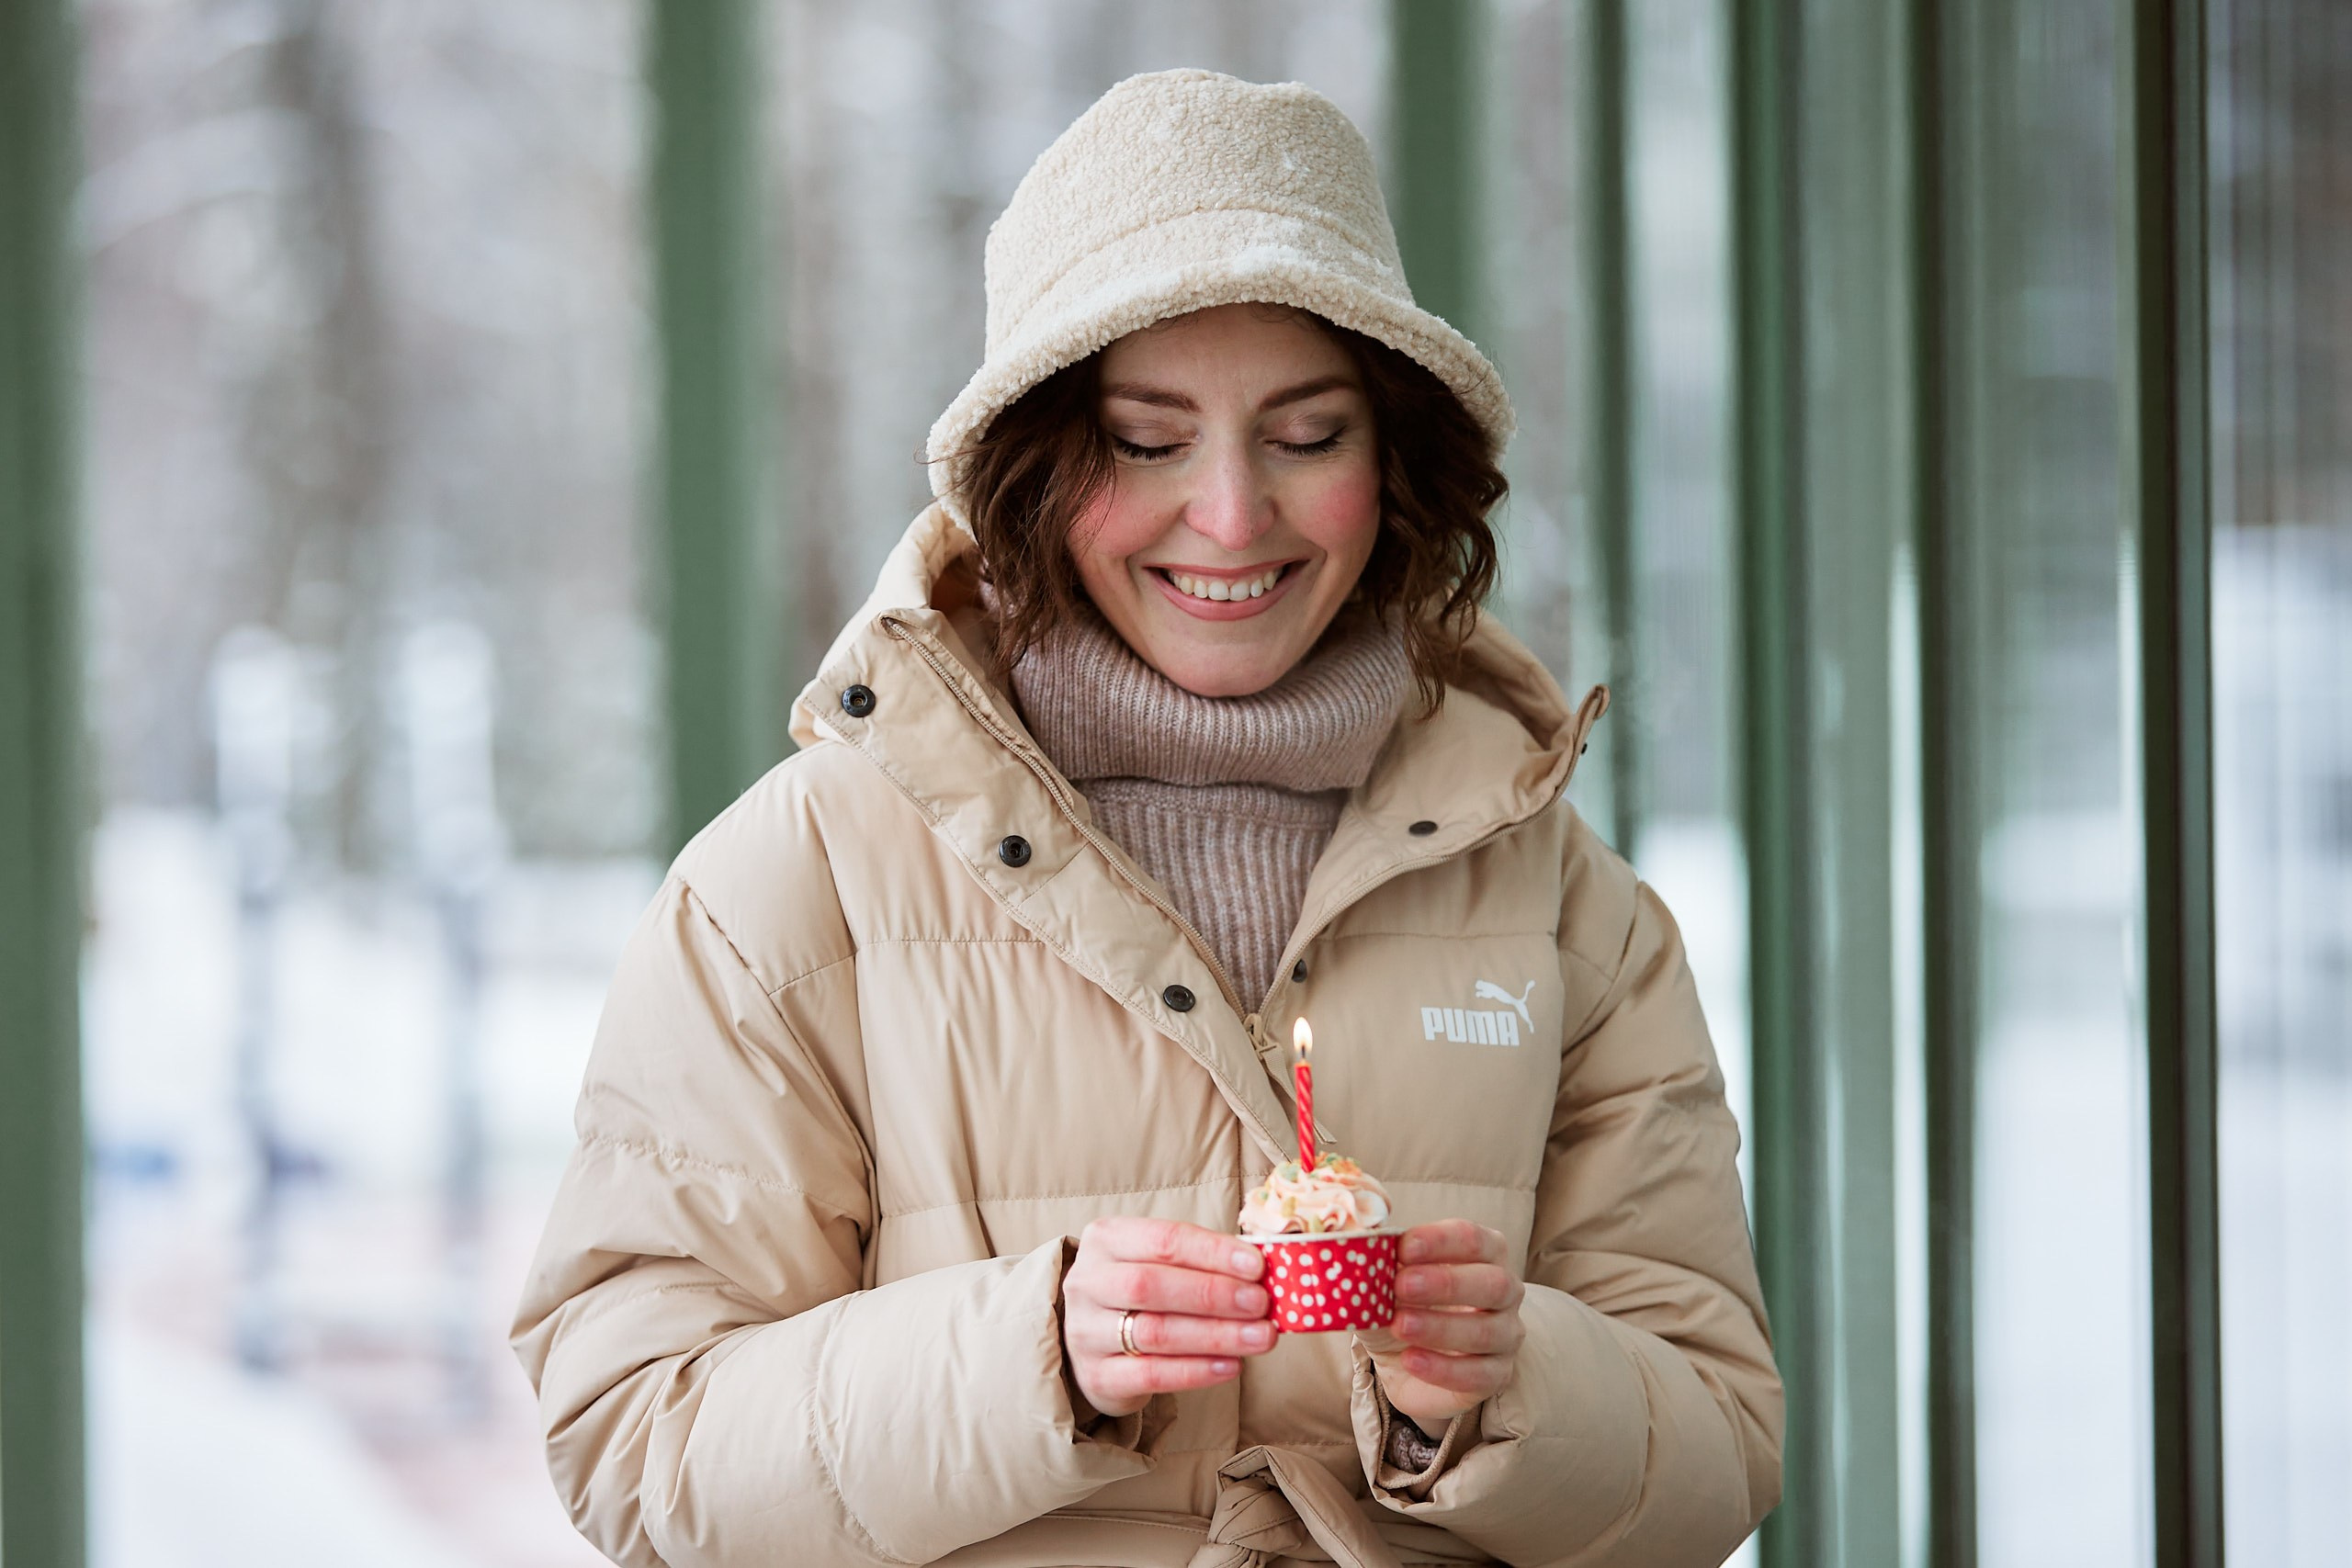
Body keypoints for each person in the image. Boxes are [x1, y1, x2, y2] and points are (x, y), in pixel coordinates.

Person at [513, 70, 1780, 1568]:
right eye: (1146, 438)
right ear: (1038, 468)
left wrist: (1507, 1397)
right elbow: (639, 1444)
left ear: (1395, 465)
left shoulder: (1566, 902)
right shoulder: (791, 889)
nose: (1234, 518)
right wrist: (1026, 1354)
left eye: (1308, 436)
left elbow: (1721, 1448)